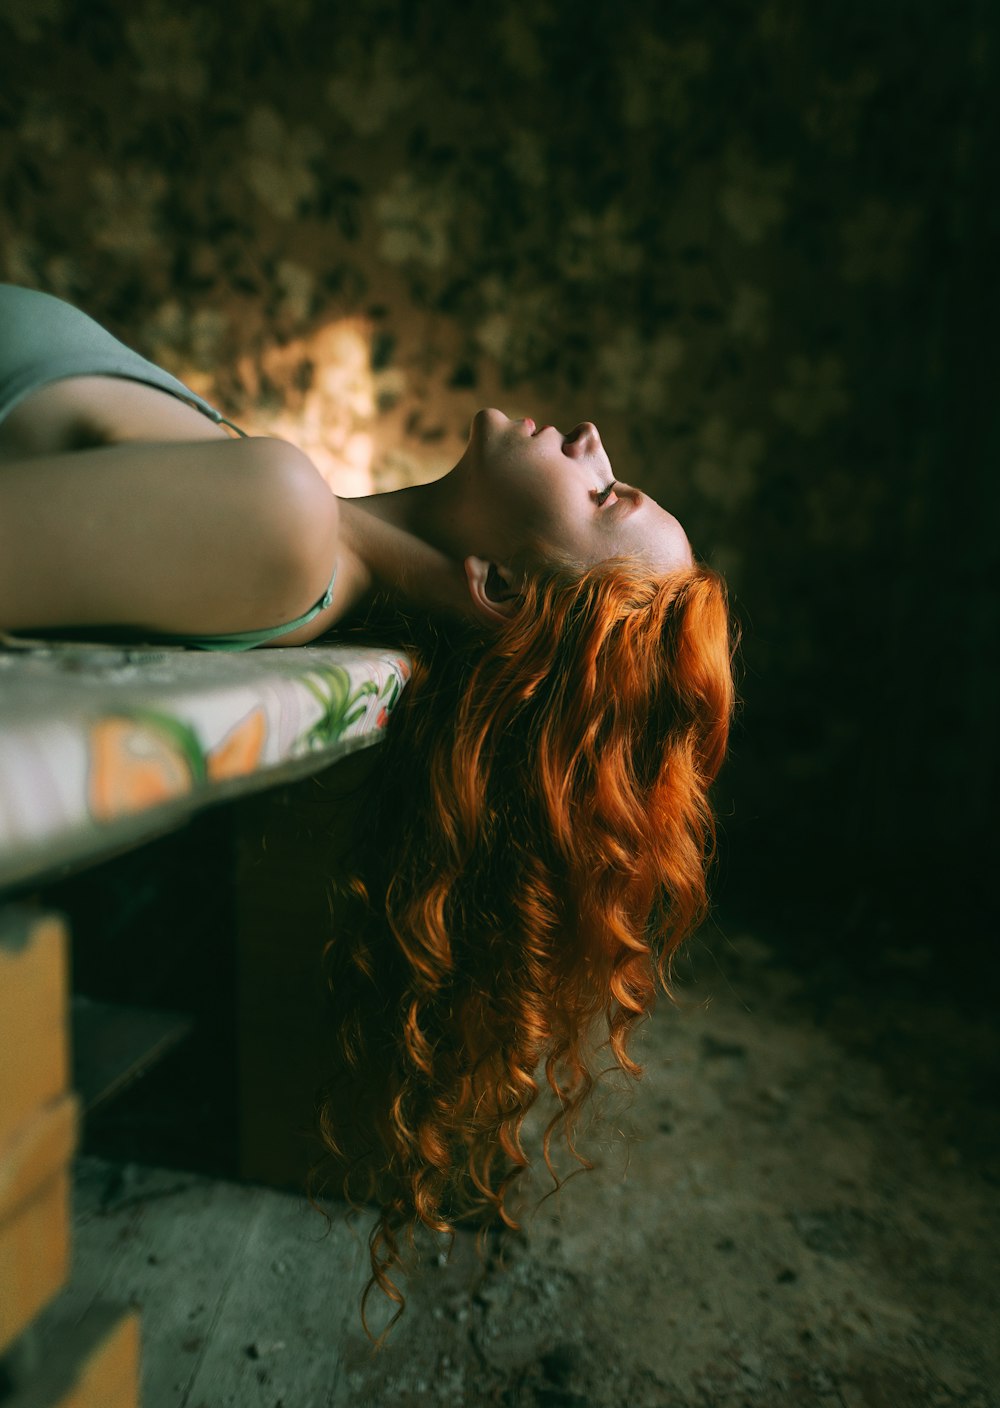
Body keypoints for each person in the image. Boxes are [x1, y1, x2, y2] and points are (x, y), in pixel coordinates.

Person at [0, 283, 740, 1343]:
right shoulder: (299, 532)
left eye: (603, 492)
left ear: (497, 589)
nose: (590, 437)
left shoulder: (286, 529)